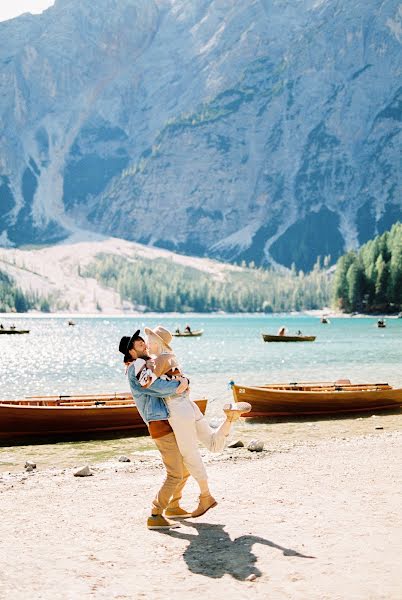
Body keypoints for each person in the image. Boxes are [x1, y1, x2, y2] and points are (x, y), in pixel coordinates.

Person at [142, 325, 251, 517]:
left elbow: (146, 383)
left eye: (150, 339)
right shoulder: (172, 358)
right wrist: (184, 382)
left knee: (189, 455)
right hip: (189, 406)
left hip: (177, 410)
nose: (147, 344)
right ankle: (229, 419)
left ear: (159, 342)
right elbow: (182, 381)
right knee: (213, 445)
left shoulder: (159, 360)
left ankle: (205, 496)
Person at [119, 331, 192, 530]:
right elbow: (158, 387)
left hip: (166, 421)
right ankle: (155, 514)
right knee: (175, 473)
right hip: (159, 423)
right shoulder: (136, 368)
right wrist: (181, 384)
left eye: (143, 341)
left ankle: (174, 506)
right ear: (131, 352)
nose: (143, 344)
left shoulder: (144, 365)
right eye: (139, 344)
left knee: (186, 467)